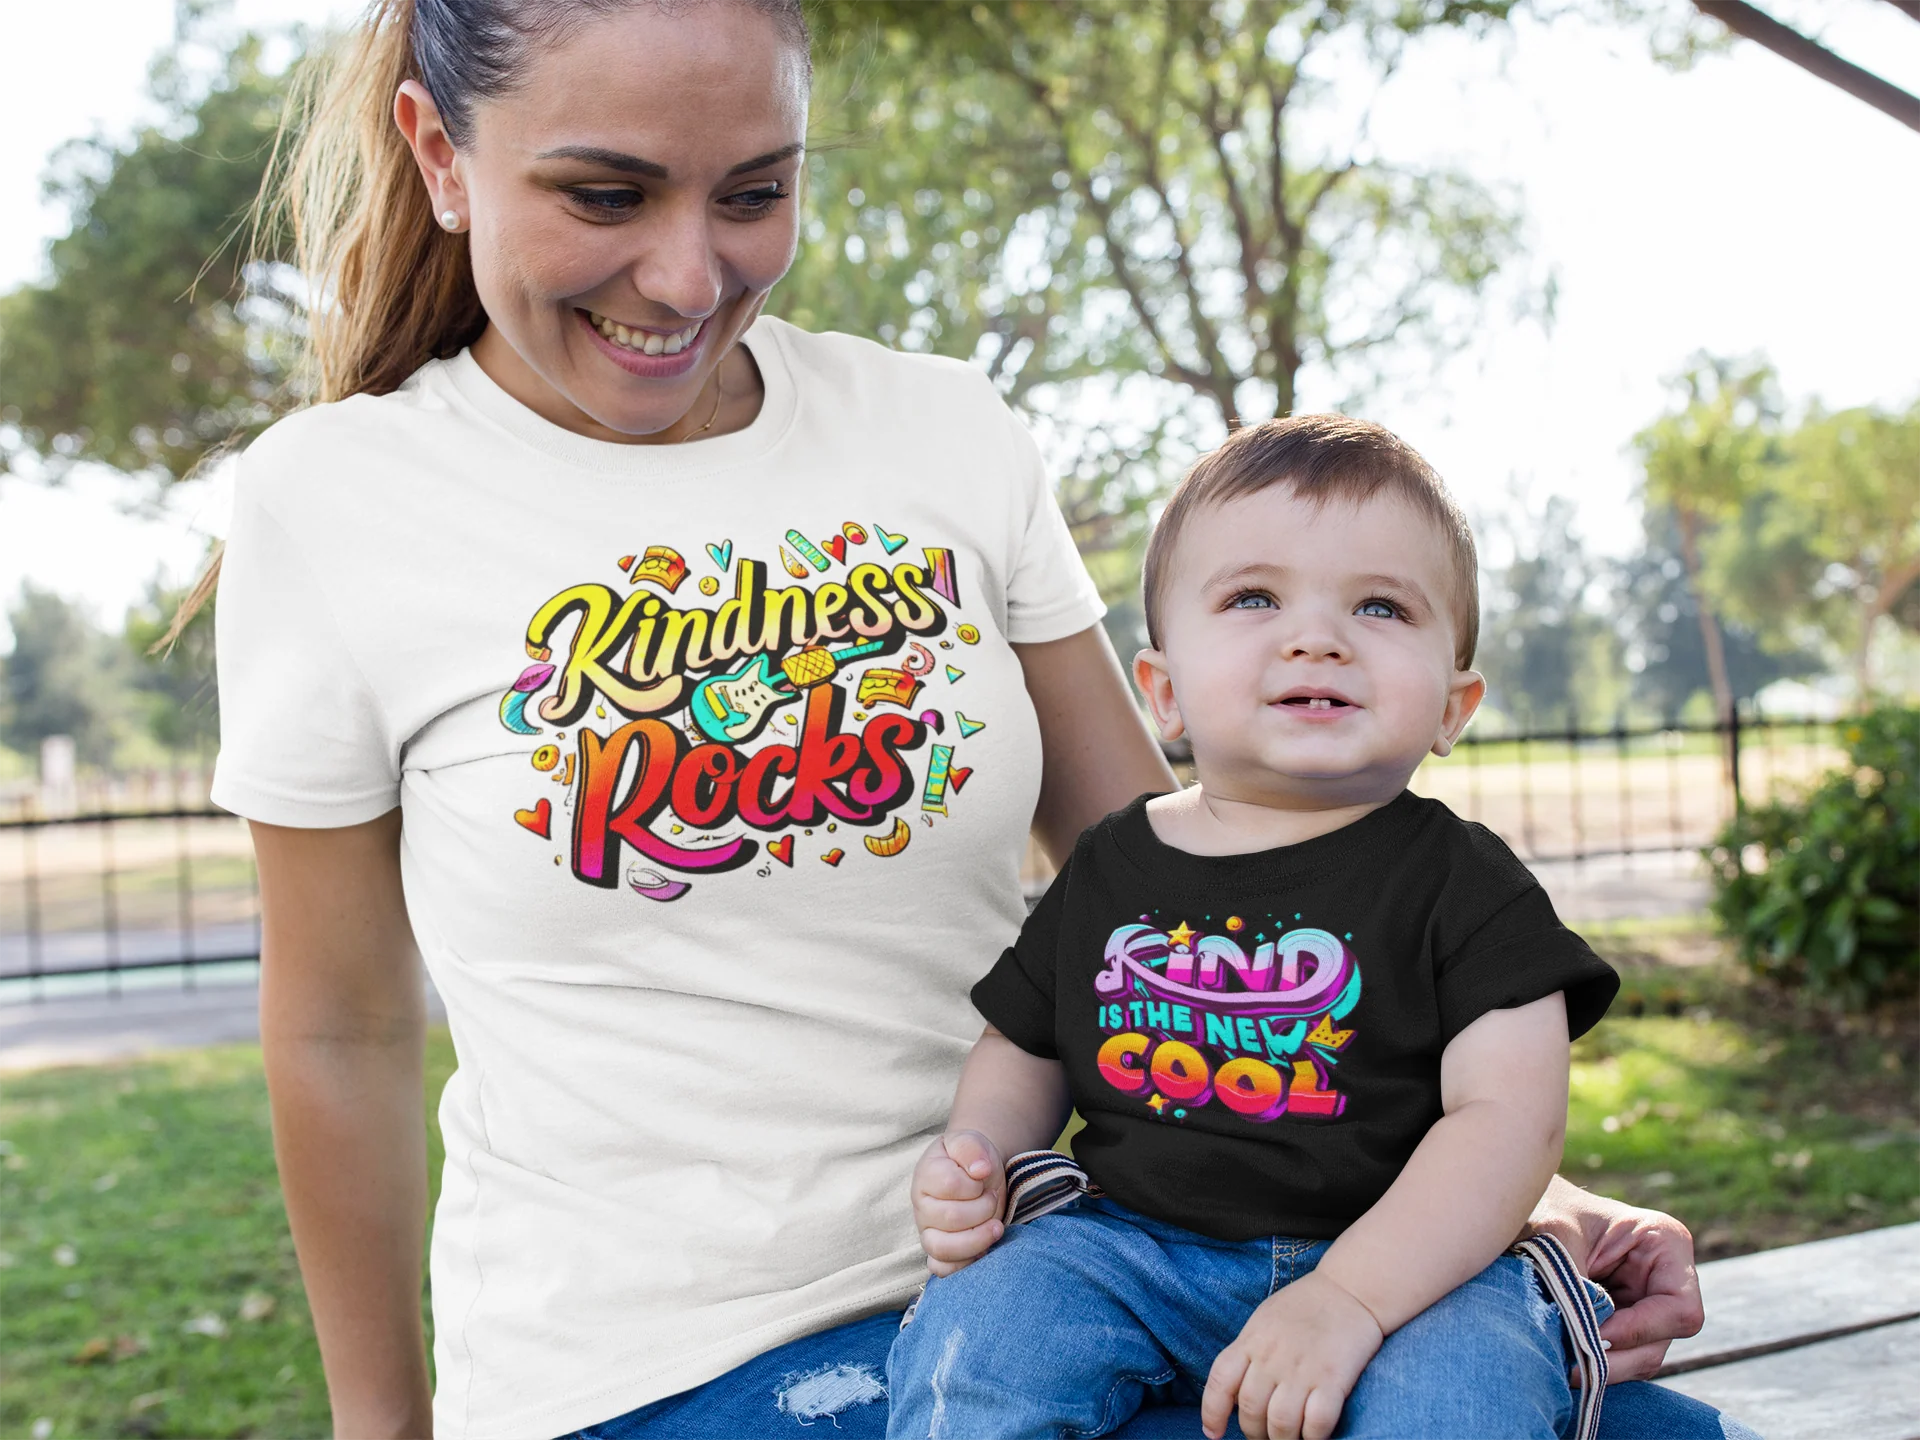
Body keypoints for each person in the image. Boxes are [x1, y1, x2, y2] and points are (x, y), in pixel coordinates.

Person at [201, 1, 1751, 1436]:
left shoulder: (943, 429)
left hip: (1094, 1264)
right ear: (437, 154)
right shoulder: (330, 503)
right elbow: (339, 1027)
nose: (688, 275)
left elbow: (1190, 872)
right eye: (605, 196)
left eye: (752, 193)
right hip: (660, 1358)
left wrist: (1492, 1189)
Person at [888, 418, 1760, 1440]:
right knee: (983, 1338)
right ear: (1163, 693)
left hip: (1415, 1265)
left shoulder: (1463, 882)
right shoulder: (1112, 863)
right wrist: (979, 1153)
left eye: (1381, 606)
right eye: (1254, 597)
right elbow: (1026, 1042)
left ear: (1454, 704)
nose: (1317, 637)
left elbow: (1510, 1125)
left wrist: (1349, 1297)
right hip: (1133, 1252)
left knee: (1464, 1401)